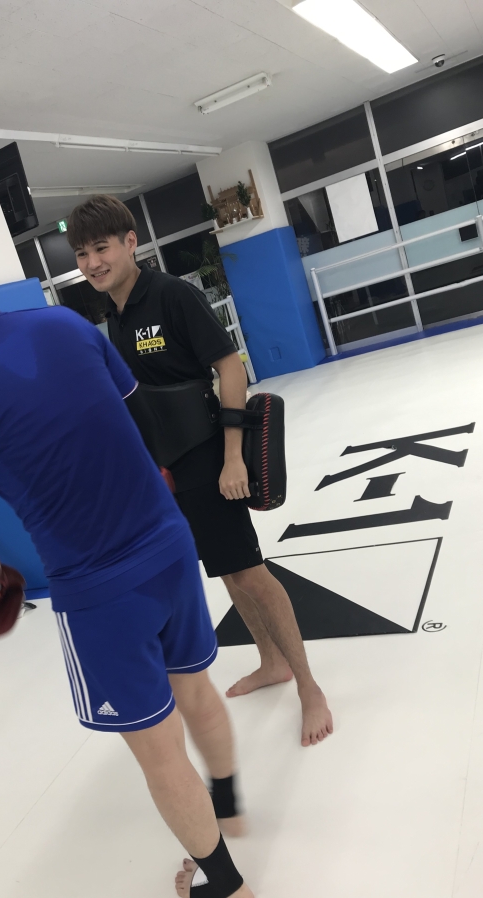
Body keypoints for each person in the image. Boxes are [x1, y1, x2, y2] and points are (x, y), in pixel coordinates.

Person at [0, 221, 254, 898]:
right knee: (195, 687)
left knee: (156, 747)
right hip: (168, 541)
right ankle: (228, 807)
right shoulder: (67, 324)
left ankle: (224, 885)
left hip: (97, 585)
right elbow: (145, 429)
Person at [67, 195, 333, 747]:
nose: (92, 262)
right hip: (167, 469)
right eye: (82, 254)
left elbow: (229, 367)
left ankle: (310, 687)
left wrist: (233, 456)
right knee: (228, 572)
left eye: (101, 248)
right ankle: (271, 662)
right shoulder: (114, 316)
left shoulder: (171, 295)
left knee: (251, 572)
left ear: (130, 242)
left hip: (209, 456)